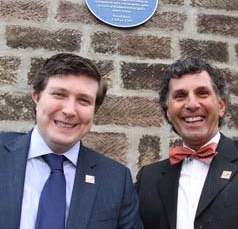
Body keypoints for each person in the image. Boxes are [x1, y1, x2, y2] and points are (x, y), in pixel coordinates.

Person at [0, 53, 142, 229]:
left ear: (94, 110)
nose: (69, 110)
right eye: (59, 94)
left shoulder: (116, 180)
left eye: (83, 100)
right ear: (36, 97)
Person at [135, 56, 238, 229]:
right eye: (180, 96)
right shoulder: (148, 178)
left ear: (221, 106)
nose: (192, 104)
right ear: (168, 112)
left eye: (202, 93)